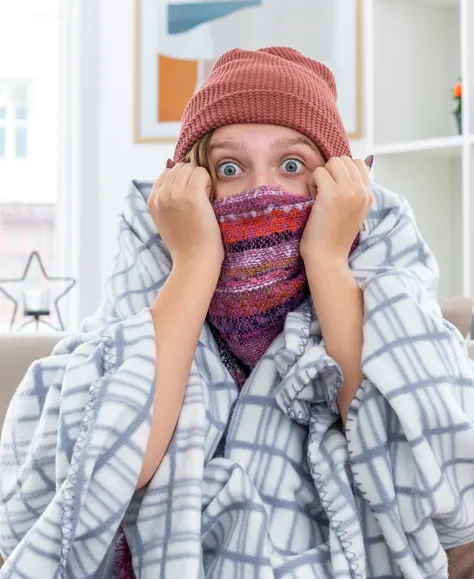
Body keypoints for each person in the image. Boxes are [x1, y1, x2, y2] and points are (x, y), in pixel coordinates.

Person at [1, 47, 473, 579]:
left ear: (335, 186)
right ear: (193, 188)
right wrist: (196, 259)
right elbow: (110, 470)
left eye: (292, 165)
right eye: (230, 167)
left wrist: (326, 258)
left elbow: (430, 483)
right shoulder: (149, 284)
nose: (261, 190)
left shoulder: (381, 274)